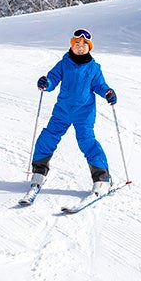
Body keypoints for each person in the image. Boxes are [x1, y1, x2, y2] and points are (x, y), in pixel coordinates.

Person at [28, 28, 117, 197]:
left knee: (87, 141)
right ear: (72, 45)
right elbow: (53, 78)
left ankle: (102, 179)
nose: (80, 47)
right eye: (77, 44)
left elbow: (100, 85)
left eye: (84, 44)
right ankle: (39, 171)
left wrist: (108, 92)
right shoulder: (64, 63)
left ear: (90, 47)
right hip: (62, 110)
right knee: (48, 137)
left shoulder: (93, 68)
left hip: (84, 113)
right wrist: (46, 83)